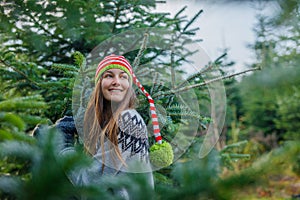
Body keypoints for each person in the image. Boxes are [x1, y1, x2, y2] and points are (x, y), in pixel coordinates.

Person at [59, 54, 156, 199]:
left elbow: (88, 182)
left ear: (129, 86)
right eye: (109, 76)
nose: (117, 82)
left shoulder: (130, 120)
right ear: (99, 83)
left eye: (123, 77)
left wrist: (62, 145)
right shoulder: (106, 125)